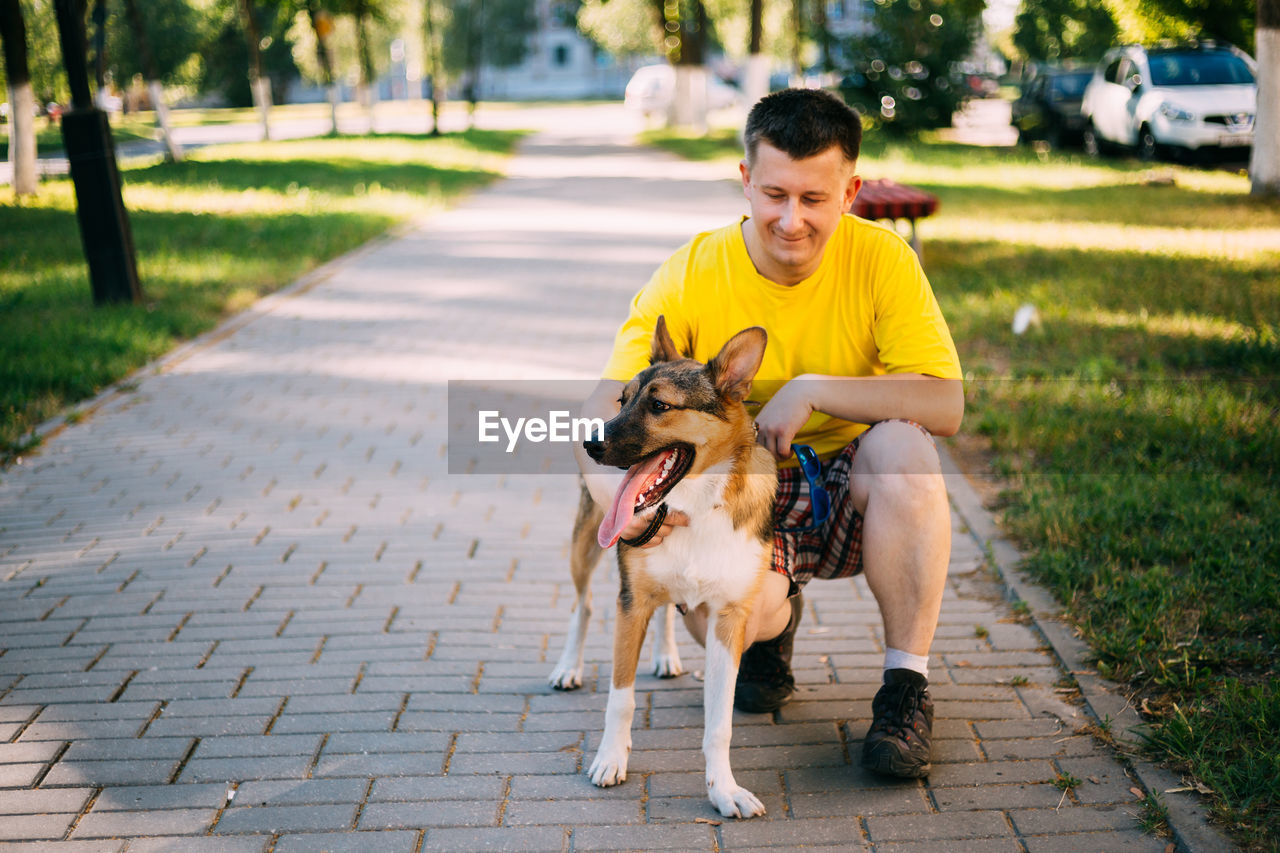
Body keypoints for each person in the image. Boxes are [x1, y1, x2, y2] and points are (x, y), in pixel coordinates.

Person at [573, 88, 963, 779]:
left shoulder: (884, 261)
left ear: (851, 190)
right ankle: (769, 631)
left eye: (815, 199)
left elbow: (947, 400)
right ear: (746, 178)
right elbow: (607, 410)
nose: (791, 220)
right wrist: (624, 506)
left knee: (906, 450)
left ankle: (905, 687)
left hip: (845, 476)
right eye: (775, 193)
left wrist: (809, 391)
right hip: (734, 495)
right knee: (727, 624)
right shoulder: (691, 270)